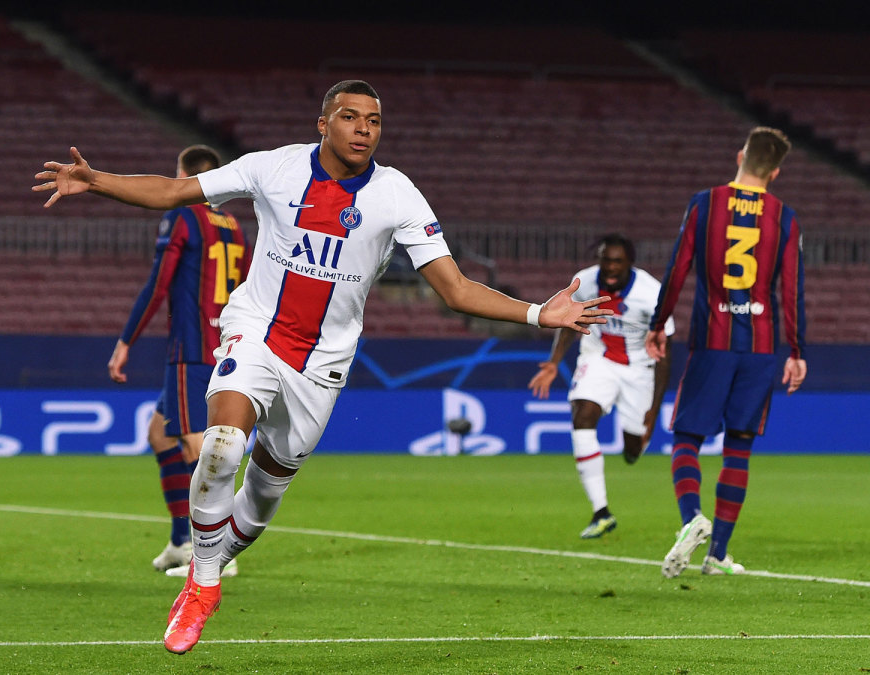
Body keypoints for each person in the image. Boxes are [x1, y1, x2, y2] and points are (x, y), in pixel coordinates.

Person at [34, 79, 613, 654]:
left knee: (260, 501)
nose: (364, 129)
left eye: (374, 120)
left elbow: (456, 289)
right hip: (256, 331)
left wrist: (540, 313)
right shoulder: (275, 168)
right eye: (351, 117)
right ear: (323, 123)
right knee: (220, 446)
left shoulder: (396, 195)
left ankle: (206, 564)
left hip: (324, 364)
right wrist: (97, 180)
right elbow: (173, 190)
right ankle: (203, 583)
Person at [646, 127, 807, 578]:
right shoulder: (786, 218)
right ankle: (717, 553)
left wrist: (659, 325)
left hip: (712, 342)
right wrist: (796, 349)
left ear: (740, 156)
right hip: (760, 347)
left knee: (687, 439)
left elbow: (677, 268)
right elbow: (791, 290)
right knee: (739, 448)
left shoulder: (705, 204)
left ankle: (691, 518)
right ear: (774, 172)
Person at [107, 145, 249, 575]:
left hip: (192, 347)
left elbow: (158, 283)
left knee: (194, 444)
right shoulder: (235, 226)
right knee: (160, 435)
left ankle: (215, 553)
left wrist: (126, 339)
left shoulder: (184, 216)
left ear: (185, 176)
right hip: (222, 341)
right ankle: (179, 541)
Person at [528, 234, 673, 539]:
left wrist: (654, 410)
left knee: (633, 450)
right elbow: (568, 323)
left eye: (617, 262)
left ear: (630, 264)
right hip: (599, 359)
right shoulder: (585, 282)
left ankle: (635, 444)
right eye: (605, 259)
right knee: (583, 415)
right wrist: (554, 362)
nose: (610, 267)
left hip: (640, 370)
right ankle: (601, 512)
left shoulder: (652, 294)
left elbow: (664, 355)